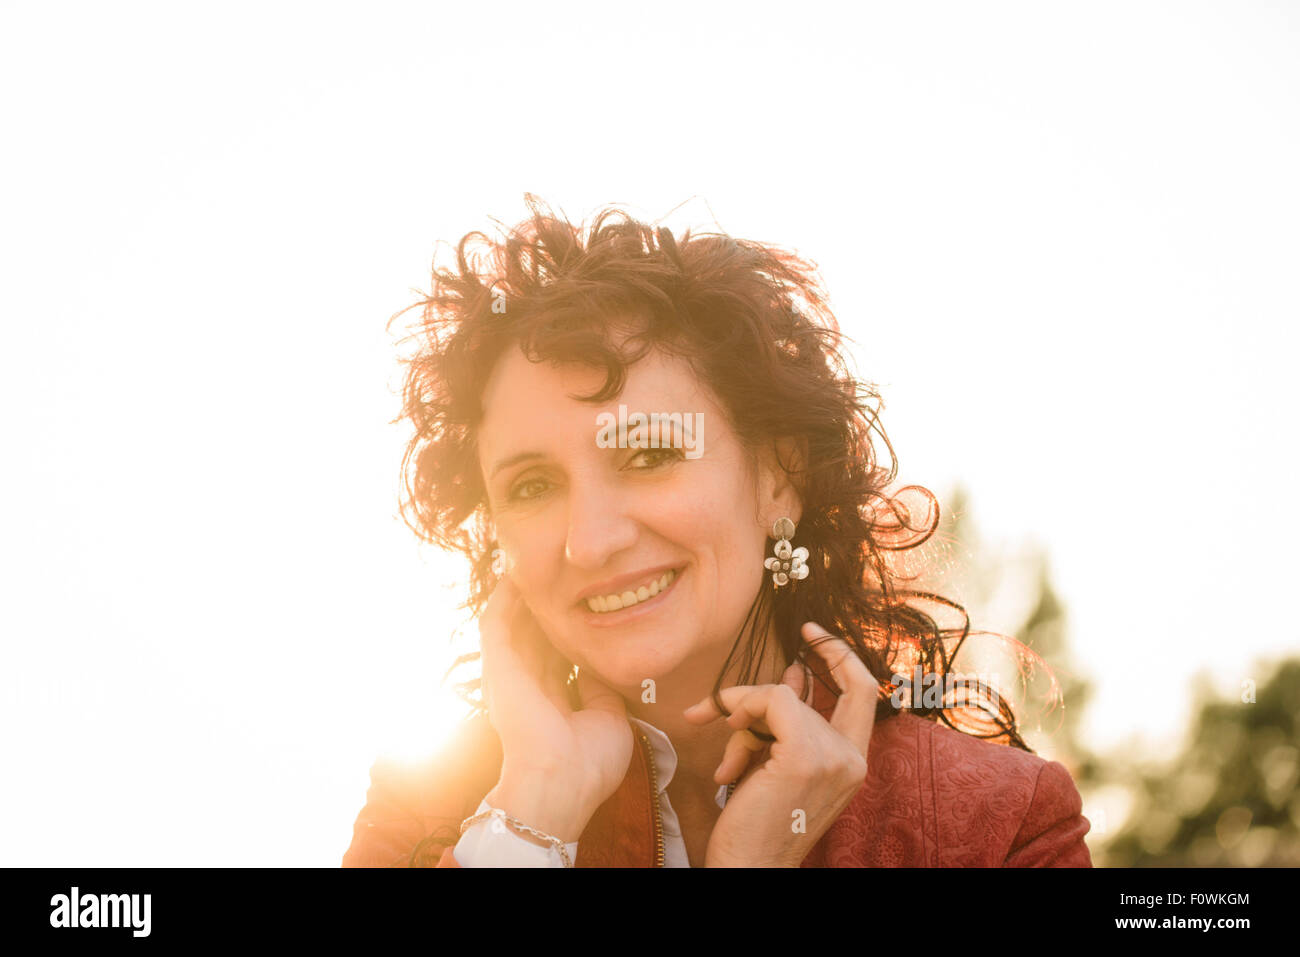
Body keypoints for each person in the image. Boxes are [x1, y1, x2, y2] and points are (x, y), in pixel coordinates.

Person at [341, 197, 1093, 868]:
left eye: (648, 453)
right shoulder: (424, 811)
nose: (591, 541)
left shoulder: (997, 828)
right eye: (532, 486)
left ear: (779, 475)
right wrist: (533, 816)